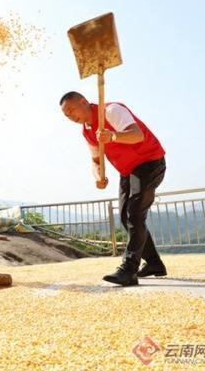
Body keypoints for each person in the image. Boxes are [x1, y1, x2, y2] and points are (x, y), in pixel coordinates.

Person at [59, 92, 167, 286]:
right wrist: (98, 176)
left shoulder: (111, 111)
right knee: (126, 218)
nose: (70, 116)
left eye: (71, 110)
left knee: (135, 213)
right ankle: (154, 264)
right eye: (66, 115)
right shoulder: (87, 131)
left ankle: (128, 270)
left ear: (83, 102)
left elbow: (137, 135)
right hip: (127, 171)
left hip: (149, 162)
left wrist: (113, 136)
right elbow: (95, 160)